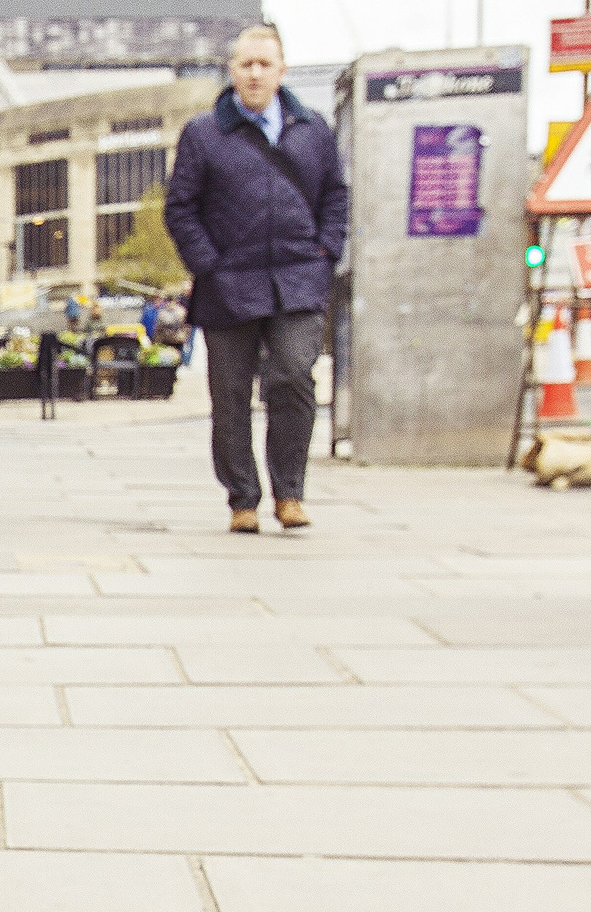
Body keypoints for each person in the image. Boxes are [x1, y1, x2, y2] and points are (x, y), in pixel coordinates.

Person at [163, 22, 350, 533]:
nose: (255, 73)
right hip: (229, 283)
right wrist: (208, 264)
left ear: (281, 70)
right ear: (232, 70)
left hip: (297, 279)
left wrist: (325, 250)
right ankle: (242, 498)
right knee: (230, 396)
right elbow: (180, 209)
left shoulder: (313, 130)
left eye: (265, 64)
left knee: (293, 376)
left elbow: (336, 195)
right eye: (246, 64)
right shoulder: (204, 134)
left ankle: (289, 492)